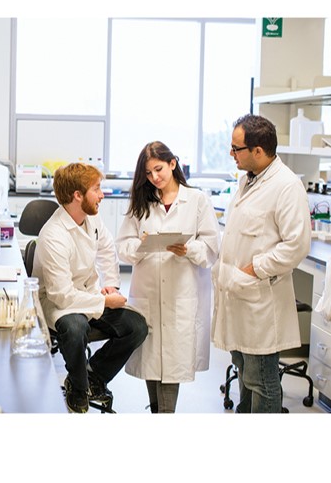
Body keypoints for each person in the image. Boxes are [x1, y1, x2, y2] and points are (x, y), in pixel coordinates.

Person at [211, 114, 311, 413]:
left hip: (260, 300)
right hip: (239, 295)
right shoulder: (247, 181)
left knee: (263, 380)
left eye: (235, 148)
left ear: (258, 150)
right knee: (243, 370)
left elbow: (297, 245)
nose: (231, 154)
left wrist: (254, 270)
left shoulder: (286, 186)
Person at [32, 162, 148, 413]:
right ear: (77, 195)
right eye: (97, 189)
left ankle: (94, 375)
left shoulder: (92, 219)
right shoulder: (53, 235)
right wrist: (104, 302)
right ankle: (78, 385)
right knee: (75, 328)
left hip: (89, 295)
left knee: (136, 326)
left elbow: (108, 251)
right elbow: (61, 296)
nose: (102, 195)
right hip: (57, 304)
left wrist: (111, 286)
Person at [115, 141, 220, 413]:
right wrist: (141, 245)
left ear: (173, 163)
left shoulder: (197, 200)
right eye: (148, 173)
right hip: (148, 291)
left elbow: (211, 248)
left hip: (181, 293)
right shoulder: (141, 202)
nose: (155, 178)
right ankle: (158, 411)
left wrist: (188, 249)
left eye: (159, 169)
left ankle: (165, 414)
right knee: (151, 358)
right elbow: (123, 246)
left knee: (172, 363)